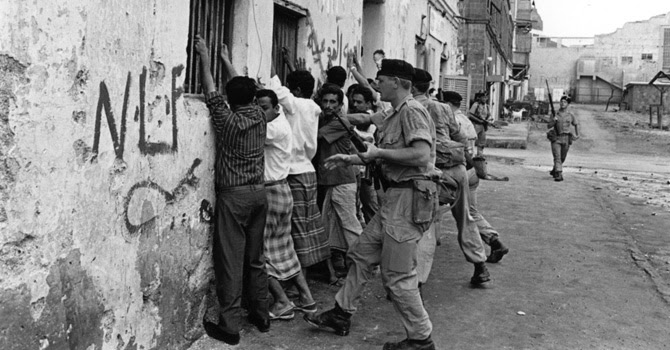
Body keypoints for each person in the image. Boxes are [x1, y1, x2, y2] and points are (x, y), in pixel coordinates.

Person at [305, 59, 439, 350]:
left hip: (408, 199)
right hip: (395, 199)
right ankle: (341, 313)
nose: (376, 84)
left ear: (396, 81)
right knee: (361, 255)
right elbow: (382, 151)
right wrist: (353, 158)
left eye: (380, 79)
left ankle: (421, 339)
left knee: (399, 278)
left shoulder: (413, 111)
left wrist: (377, 151)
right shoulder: (395, 113)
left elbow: (420, 155)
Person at [194, 36, 269, 345]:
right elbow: (238, 89)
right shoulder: (262, 116)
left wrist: (204, 57)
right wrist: (227, 61)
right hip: (259, 194)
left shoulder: (227, 120)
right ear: (253, 97)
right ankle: (262, 314)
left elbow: (211, 90)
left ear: (230, 98)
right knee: (255, 258)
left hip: (235, 196)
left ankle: (230, 326)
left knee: (230, 262)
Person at [411, 69, 491, 286]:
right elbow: (460, 136)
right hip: (458, 168)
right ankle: (480, 266)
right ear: (428, 87)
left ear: (409, 85)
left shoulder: (410, 108)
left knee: (426, 225)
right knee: (465, 217)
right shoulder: (443, 107)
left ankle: (417, 281)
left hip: (432, 172)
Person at [256, 89, 318, 321]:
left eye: (263, 108)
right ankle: (307, 299)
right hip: (281, 190)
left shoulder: (273, 129)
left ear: (276, 108)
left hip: (272, 192)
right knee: (285, 250)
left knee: (261, 252)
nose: (259, 113)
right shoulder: (280, 121)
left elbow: (246, 127)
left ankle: (282, 301)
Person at [266, 68, 331, 277]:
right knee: (308, 224)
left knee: (296, 228)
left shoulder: (296, 104)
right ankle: (317, 272)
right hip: (307, 170)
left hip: (294, 172)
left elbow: (275, 88)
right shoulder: (312, 107)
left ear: (296, 90)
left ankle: (298, 276)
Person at [444, 91, 510, 263]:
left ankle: (480, 260)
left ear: (448, 104)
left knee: (463, 216)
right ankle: (494, 241)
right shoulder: (465, 119)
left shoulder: (451, 121)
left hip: (461, 170)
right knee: (470, 211)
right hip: (472, 171)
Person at [314, 84, 364, 283]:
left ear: (340, 104)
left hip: (341, 181)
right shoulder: (331, 119)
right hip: (333, 181)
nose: (327, 105)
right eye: (324, 101)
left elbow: (314, 136)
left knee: (350, 226)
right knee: (335, 228)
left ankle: (363, 265)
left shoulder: (337, 122)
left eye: (332, 102)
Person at [548, 96, 580, 182]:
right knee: (557, 156)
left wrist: (577, 134)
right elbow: (549, 125)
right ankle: (559, 174)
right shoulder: (555, 114)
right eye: (561, 101)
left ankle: (555, 169)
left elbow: (576, 123)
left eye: (565, 102)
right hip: (556, 138)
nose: (562, 103)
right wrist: (553, 121)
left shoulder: (570, 114)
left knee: (562, 157)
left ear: (568, 104)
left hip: (566, 138)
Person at [469, 92, 493, 157]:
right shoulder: (475, 105)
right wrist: (479, 120)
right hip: (475, 124)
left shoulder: (487, 106)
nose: (485, 99)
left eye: (486, 97)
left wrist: (489, 120)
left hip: (483, 125)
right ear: (480, 98)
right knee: (472, 139)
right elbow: (470, 115)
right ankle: (471, 155)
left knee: (482, 141)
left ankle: (479, 155)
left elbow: (489, 115)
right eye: (483, 97)